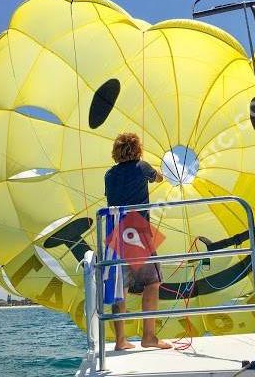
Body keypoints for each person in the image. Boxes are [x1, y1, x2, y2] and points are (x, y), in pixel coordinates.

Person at [104, 132, 172, 350]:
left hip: (115, 229)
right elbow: (158, 178)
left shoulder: (109, 175)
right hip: (135, 229)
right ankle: (149, 337)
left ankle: (120, 341)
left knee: (119, 288)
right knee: (152, 282)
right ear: (137, 150)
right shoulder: (142, 167)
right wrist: (160, 174)